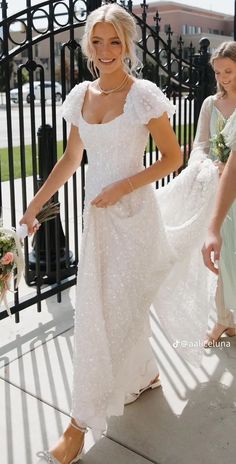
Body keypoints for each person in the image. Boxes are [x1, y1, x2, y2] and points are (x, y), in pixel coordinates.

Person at [20, 4, 182, 463]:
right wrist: (35, 205)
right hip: (99, 224)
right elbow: (71, 159)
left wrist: (122, 185)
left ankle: (78, 426)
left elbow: (173, 158)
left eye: (115, 41)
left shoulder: (144, 95)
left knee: (110, 319)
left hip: (134, 219)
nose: (106, 50)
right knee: (106, 313)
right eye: (97, 41)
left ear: (128, 44)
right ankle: (145, 374)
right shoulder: (80, 96)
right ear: (88, 46)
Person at [192, 41, 236, 347]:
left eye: (229, 71)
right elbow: (199, 146)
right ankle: (222, 318)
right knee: (223, 255)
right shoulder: (210, 104)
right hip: (222, 193)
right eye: (218, 72)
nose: (223, 78)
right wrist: (213, 165)